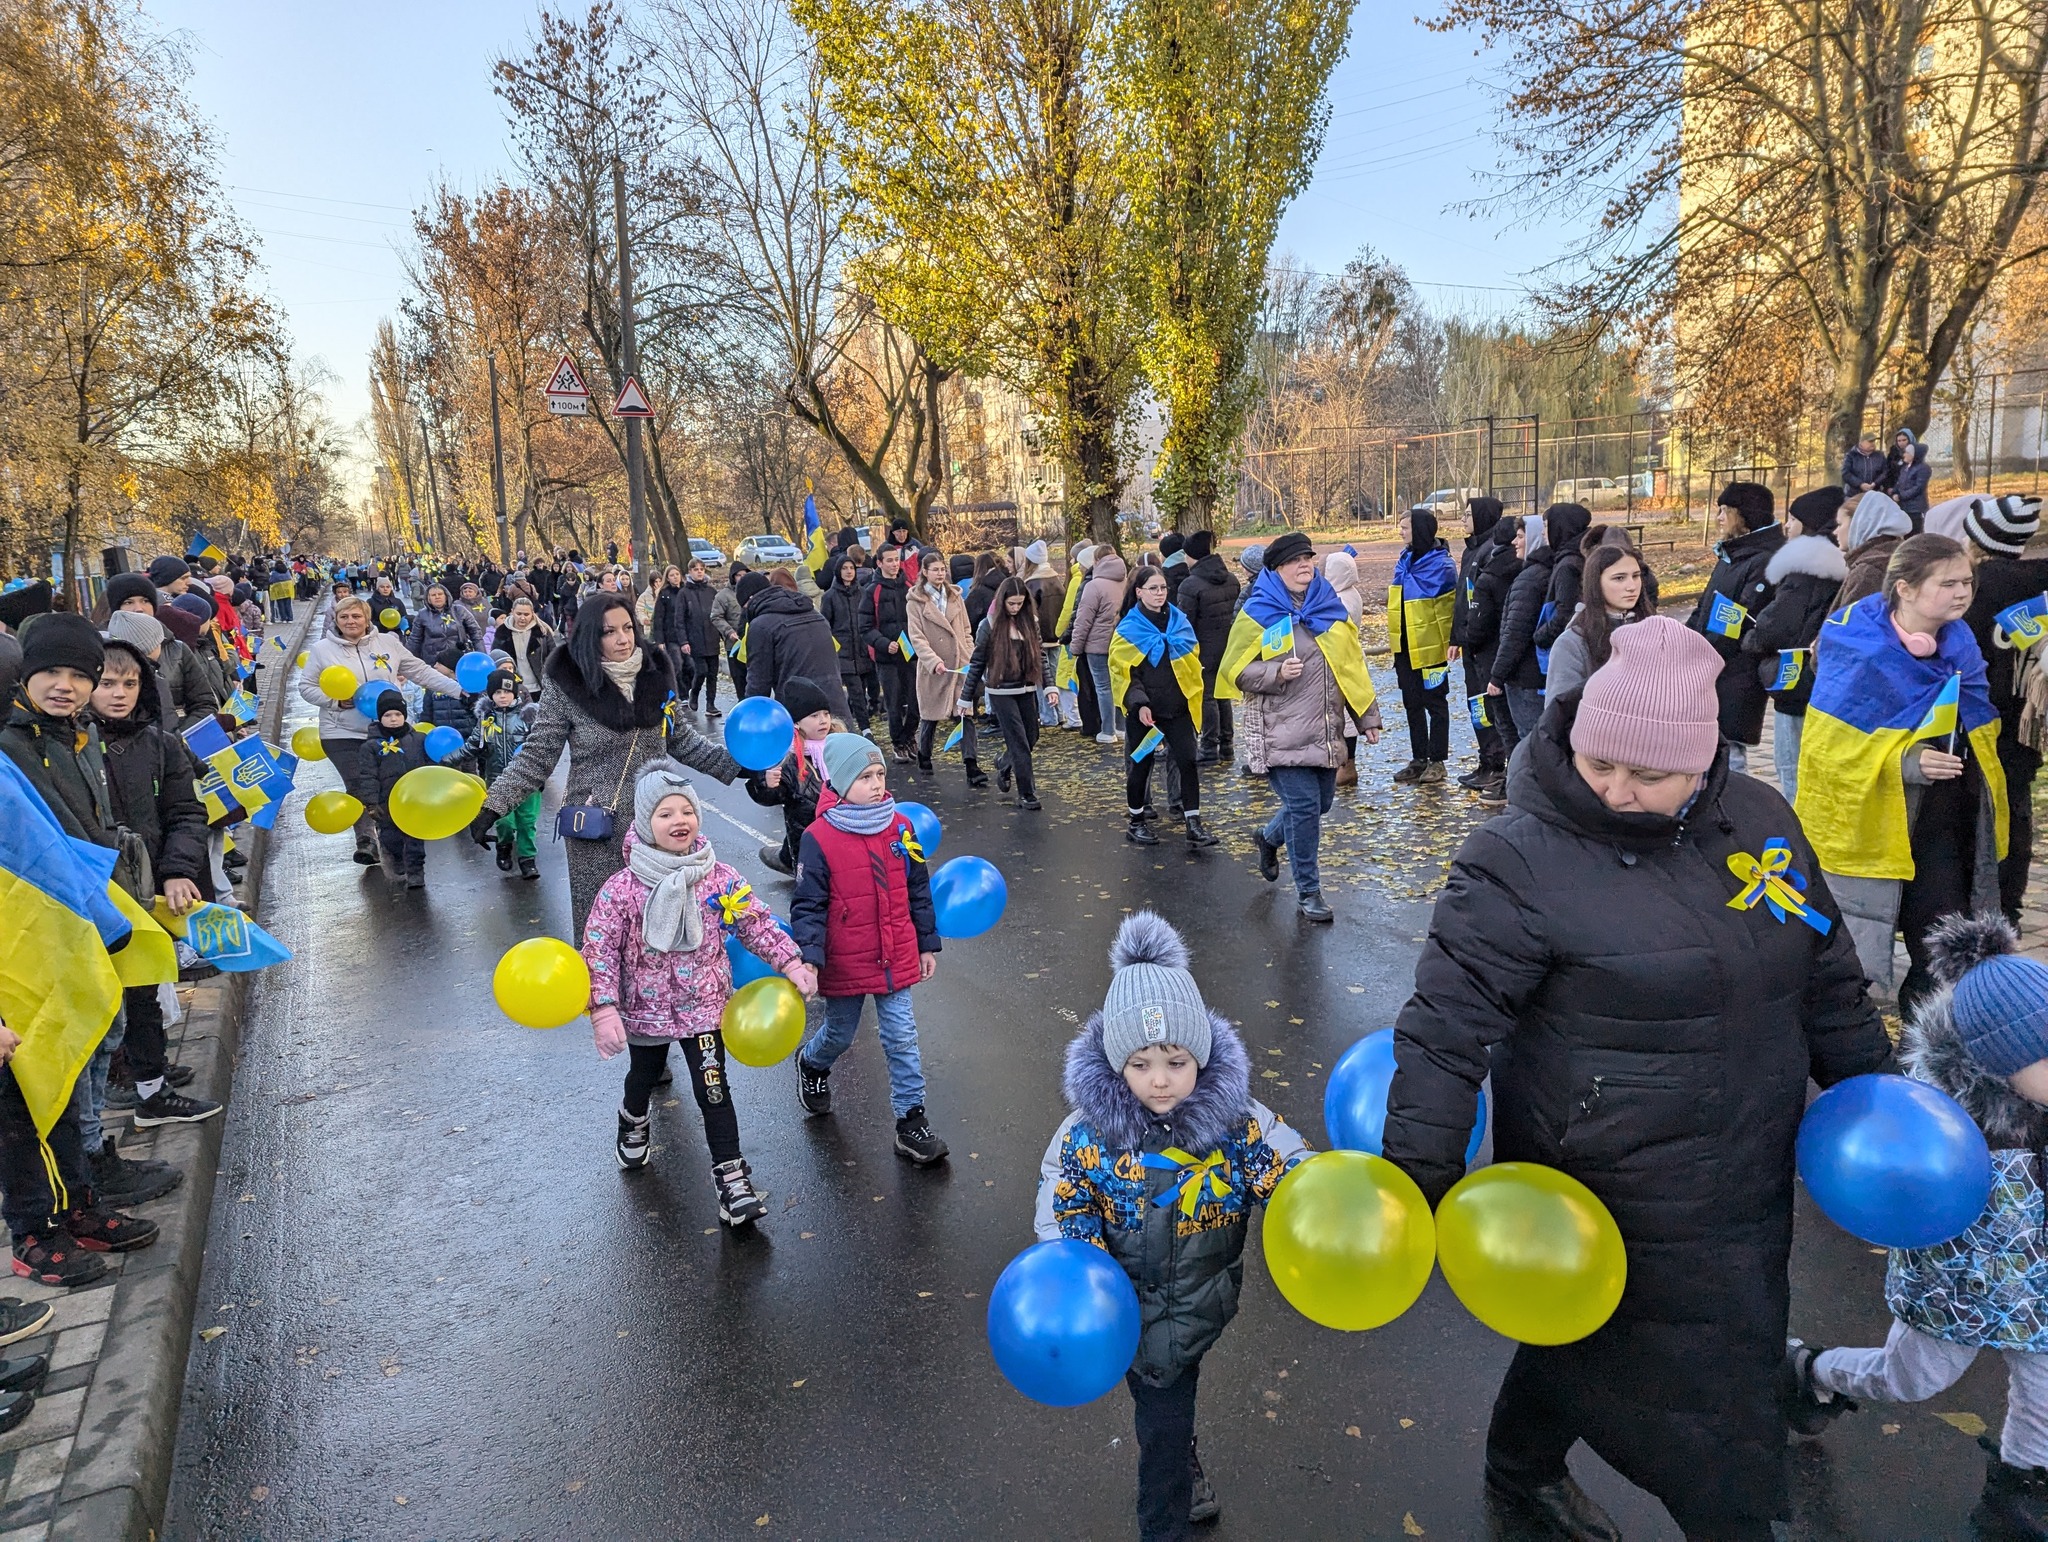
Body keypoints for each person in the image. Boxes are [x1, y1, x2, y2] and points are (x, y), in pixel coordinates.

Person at [1382, 615, 1889, 1542]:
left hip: (1746, 1164)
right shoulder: (1516, 860)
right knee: (1704, 1408)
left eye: (1648, 774)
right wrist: (1414, 1187)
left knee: (1584, 1336)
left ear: (1702, 762)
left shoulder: (1764, 823)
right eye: (1597, 763)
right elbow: (1446, 1034)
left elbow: (1828, 978)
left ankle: (1518, 1469)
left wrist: (1878, 1106)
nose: (1615, 790)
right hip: (1606, 1180)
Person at [1033, 912, 1309, 1541]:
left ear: (1202, 1056)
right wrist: (1082, 1273)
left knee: (1178, 1381)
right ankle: (1166, 1513)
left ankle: (1178, 1448)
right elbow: (1064, 1205)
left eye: (1176, 1061)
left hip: (1198, 1306)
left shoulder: (1237, 1126)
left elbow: (1291, 1173)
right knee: (1161, 1428)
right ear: (1114, 1064)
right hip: (1126, 1318)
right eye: (1140, 1063)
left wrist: (1316, 1191)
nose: (1160, 1080)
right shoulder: (1089, 1136)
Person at [1780, 912, 2048, 1538]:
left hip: (2037, 1293)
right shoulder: (1941, 1132)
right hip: (1960, 1289)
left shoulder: (2038, 1109)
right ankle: (1808, 1370)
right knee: (1912, 1378)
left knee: (2044, 1388)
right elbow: (1908, 1200)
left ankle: (2019, 1490)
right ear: (1998, 1061)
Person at [0, 613, 166, 1280]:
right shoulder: (13, 751)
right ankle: (34, 1231)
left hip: (74, 923)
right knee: (32, 1089)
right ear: (25, 676)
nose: (66, 686)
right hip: (32, 940)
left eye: (80, 675)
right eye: (52, 674)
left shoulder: (77, 737)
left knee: (73, 1069)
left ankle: (77, 1202)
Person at [581, 762, 815, 1221]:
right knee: (643, 1078)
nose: (679, 820)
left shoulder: (717, 876)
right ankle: (633, 1119)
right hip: (644, 1011)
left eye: (686, 810)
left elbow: (755, 922)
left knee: (714, 1089)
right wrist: (603, 1008)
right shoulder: (622, 889)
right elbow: (599, 949)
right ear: (645, 822)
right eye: (665, 813)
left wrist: (790, 960)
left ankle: (731, 1177)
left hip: (705, 1009)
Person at [1796, 534, 2006, 1010]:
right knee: (1854, 961)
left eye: (1967, 581)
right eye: (1947, 583)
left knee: (1944, 950)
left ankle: (1928, 1049)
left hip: (1945, 822)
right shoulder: (1858, 647)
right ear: (1905, 589)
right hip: (1873, 825)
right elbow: (1831, 754)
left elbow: (1979, 720)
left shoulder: (1962, 644)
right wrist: (1906, 761)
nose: (1962, 593)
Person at [478, 594, 742, 938]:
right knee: (601, 935)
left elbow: (680, 739)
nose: (623, 638)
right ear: (590, 635)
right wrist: (494, 804)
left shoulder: (656, 671)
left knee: (659, 934)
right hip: (596, 829)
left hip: (656, 826)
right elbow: (538, 753)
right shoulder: (567, 680)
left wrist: (737, 767)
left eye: (628, 627)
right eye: (609, 631)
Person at [789, 733, 949, 1165]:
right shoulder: (818, 837)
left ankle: (910, 1122)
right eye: (864, 777)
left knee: (902, 1038)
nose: (877, 784)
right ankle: (812, 1062)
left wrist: (926, 943)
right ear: (839, 784)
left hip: (896, 952)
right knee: (840, 1033)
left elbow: (918, 888)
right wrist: (811, 957)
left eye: (880, 774)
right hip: (845, 958)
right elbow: (808, 903)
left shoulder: (900, 826)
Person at [89, 638, 223, 1145]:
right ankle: (117, 1097)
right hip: (92, 894)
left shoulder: (159, 742)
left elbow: (185, 812)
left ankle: (151, 1090)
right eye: (107, 683)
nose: (119, 694)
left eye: (130, 683)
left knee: (144, 990)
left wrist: (176, 870)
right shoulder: (71, 746)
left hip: (143, 890)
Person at [1216, 532, 1382, 923]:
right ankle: (1309, 892)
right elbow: (1235, 669)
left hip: (1325, 730)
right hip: (1281, 731)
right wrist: (1275, 672)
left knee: (1320, 803)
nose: (1305, 565)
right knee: (1305, 807)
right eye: (1295, 561)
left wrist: (1367, 717)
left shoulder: (1329, 606)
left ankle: (1268, 837)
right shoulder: (1260, 610)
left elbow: (1351, 666)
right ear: (1276, 569)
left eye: (1308, 558)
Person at [298, 596, 464, 868]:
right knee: (359, 784)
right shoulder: (322, 650)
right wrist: (335, 701)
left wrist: (458, 690)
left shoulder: (387, 643)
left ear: (367, 619)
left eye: (356, 616)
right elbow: (306, 687)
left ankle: (397, 838)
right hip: (342, 732)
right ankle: (366, 840)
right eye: (344, 617)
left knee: (391, 783)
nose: (351, 622)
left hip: (388, 731)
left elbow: (419, 671)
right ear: (337, 621)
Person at [1958, 494, 2048, 921]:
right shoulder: (2040, 586)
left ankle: (1979, 900)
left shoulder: (1976, 589)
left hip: (1980, 718)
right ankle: (2009, 901)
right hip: (2027, 717)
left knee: (1977, 810)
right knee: (2017, 805)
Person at [1739, 487, 1849, 804]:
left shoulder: (1806, 568)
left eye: (1793, 519)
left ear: (1810, 523)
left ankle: (1799, 845)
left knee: (1792, 770)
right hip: (1823, 682)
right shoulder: (1837, 563)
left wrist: (1751, 638)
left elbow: (1779, 625)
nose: (1786, 526)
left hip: (1798, 681)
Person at [1111, 565, 1214, 847]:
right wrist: (1139, 704)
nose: (1159, 593)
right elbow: (1124, 672)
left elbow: (1191, 655)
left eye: (1163, 588)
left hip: (1177, 707)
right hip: (1146, 713)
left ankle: (1194, 823)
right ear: (1139, 592)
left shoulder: (1178, 620)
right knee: (1141, 766)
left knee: (1188, 762)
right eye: (1153, 588)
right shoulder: (1128, 628)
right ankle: (1136, 822)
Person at [1687, 481, 1785, 774]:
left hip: (1735, 674)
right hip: (1710, 668)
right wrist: (1684, 642)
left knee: (1731, 755)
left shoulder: (1763, 561)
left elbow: (1738, 623)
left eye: (1724, 511)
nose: (1718, 518)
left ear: (1744, 516)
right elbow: (1704, 608)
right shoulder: (1732, 555)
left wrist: (1700, 657)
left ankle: (1737, 813)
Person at [960, 578, 1054, 811]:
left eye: (1020, 603)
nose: (1015, 608)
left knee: (1031, 737)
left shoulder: (1030, 622)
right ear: (1002, 601)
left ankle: (1004, 763)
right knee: (1019, 742)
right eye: (1011, 603)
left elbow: (1040, 656)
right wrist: (965, 697)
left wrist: (1049, 686)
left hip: (1027, 688)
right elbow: (977, 662)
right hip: (1001, 690)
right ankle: (1027, 793)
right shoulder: (989, 625)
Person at [1386, 509, 1458, 786]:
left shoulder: (1441, 565)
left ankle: (1437, 761)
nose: (1401, 532)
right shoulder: (1404, 559)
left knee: (1435, 703)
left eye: (1405, 527)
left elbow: (1450, 610)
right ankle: (1419, 758)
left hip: (1430, 650)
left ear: (1419, 529)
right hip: (1404, 646)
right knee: (1411, 703)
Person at [744, 675, 836, 874]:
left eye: (826, 714)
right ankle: (788, 859)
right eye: (814, 716)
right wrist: (765, 783)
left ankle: (785, 857)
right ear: (796, 723)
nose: (823, 721)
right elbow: (772, 797)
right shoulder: (789, 759)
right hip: (808, 844)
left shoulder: (839, 746)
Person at [1542, 539, 1652, 702]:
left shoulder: (1655, 629)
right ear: (1596, 583)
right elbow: (1558, 713)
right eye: (1619, 578)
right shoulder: (1573, 642)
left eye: (1636, 576)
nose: (1632, 586)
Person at [905, 555, 982, 783]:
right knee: (930, 715)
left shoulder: (955, 597)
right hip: (934, 668)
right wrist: (932, 661)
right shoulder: (916, 602)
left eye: (942, 569)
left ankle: (972, 766)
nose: (940, 574)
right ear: (925, 572)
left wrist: (969, 653)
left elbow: (966, 629)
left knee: (965, 714)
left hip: (959, 665)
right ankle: (924, 754)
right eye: (935, 570)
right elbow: (916, 637)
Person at [744, 570, 852, 726]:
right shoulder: (815, 614)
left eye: (744, 606)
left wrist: (752, 718)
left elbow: (759, 683)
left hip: (801, 715)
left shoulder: (760, 625)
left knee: (806, 751)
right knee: (840, 748)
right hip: (834, 706)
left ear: (751, 599)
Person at [1451, 497, 1507, 789]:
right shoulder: (1471, 551)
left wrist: (1472, 636)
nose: (1463, 519)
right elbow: (1462, 599)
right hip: (1469, 642)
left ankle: (1496, 763)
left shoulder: (1490, 551)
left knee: (1487, 703)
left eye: (1468, 514)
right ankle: (1486, 759)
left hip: (1484, 643)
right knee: (1476, 704)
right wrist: (1455, 637)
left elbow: (1484, 603)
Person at [464, 670, 539, 880]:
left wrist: (539, 778)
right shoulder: (486, 720)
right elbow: (472, 745)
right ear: (490, 695)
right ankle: (504, 845)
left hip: (528, 782)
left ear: (515, 693)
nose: (503, 696)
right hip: (497, 779)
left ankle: (527, 859)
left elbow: (541, 750)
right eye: (497, 692)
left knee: (527, 821)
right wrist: (449, 757)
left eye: (507, 691)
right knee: (504, 821)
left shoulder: (528, 718)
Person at [1174, 532, 1239, 765]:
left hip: (1202, 649)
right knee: (1223, 696)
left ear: (1190, 556)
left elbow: (1185, 623)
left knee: (1207, 697)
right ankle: (1227, 745)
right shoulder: (1231, 579)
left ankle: (1209, 747)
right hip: (1228, 646)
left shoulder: (1190, 585)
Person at [359, 691, 432, 891]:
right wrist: (371, 803)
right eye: (388, 715)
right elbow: (368, 776)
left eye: (398, 715)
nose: (393, 719)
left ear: (405, 715)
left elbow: (430, 766)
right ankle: (398, 857)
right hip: (386, 801)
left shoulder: (418, 740)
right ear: (379, 717)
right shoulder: (371, 747)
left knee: (415, 838)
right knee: (390, 836)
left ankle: (416, 871)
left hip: (414, 800)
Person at [1488, 516, 1552, 746]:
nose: (1515, 542)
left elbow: (1515, 631)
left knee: (1529, 743)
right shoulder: (1541, 573)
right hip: (1533, 675)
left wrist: (1497, 675)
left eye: (1521, 536)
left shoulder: (1529, 579)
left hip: (1526, 678)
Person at [863, 547, 919, 761]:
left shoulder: (908, 586)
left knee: (916, 702)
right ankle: (898, 742)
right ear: (879, 563)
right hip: (887, 657)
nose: (894, 564)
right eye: (889, 560)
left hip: (910, 653)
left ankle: (909, 736)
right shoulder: (872, 591)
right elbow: (865, 626)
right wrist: (884, 644)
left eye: (896, 560)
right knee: (894, 703)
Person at [1072, 548, 1130, 743]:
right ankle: (1121, 727)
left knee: (1103, 687)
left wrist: (1076, 646)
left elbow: (1083, 620)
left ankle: (1107, 730)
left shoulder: (1094, 586)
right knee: (1119, 684)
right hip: (1121, 643)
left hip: (1097, 645)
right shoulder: (1126, 581)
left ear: (1096, 561)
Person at [1529, 501, 1594, 668]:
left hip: (1565, 651)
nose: (1543, 534)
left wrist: (1540, 636)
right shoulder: (1579, 555)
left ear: (1559, 528)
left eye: (1546, 527)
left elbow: (1565, 613)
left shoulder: (1568, 565)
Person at [818, 551, 876, 733]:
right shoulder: (830, 596)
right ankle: (865, 729)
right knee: (856, 690)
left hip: (863, 648)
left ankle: (852, 719)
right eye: (845, 568)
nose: (849, 572)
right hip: (843, 651)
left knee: (865, 689)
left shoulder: (863, 593)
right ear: (838, 571)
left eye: (851, 568)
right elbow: (825, 625)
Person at [1835, 490, 1914, 609]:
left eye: (1840, 524)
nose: (1835, 532)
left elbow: (1852, 624)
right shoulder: (1899, 557)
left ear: (1859, 524)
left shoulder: (1869, 571)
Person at [1056, 543, 1099, 736]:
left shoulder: (1078, 581)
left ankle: (1075, 718)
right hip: (1096, 639)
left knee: (1068, 676)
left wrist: (1060, 633)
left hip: (1078, 637)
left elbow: (1071, 610)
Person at [489, 594, 558, 702]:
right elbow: (495, 657)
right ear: (512, 612)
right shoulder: (502, 632)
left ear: (532, 614)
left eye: (526, 614)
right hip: (512, 687)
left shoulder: (542, 631)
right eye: (519, 613)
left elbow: (554, 656)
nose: (522, 617)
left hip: (540, 686)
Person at [413, 581, 482, 663]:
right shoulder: (422, 615)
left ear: (446, 596)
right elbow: (415, 640)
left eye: (440, 594)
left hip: (458, 658)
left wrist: (482, 655)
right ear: (429, 598)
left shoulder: (459, 610)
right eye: (433, 595)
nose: (437, 597)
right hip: (433, 661)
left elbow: (476, 634)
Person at [1893, 432, 1931, 527]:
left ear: (1914, 455)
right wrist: (1895, 492)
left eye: (1907, 453)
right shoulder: (1905, 467)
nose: (1904, 455)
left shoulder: (1923, 468)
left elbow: (1918, 488)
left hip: (1915, 508)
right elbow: (1900, 482)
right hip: (1904, 506)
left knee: (1915, 531)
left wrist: (1901, 496)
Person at [1843, 429, 1889, 496]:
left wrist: (1875, 483)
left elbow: (1885, 472)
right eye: (1870, 441)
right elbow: (1846, 473)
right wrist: (1860, 484)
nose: (1873, 443)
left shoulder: (1880, 456)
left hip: (1874, 494)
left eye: (1874, 441)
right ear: (1861, 443)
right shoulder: (1851, 455)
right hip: (1853, 494)